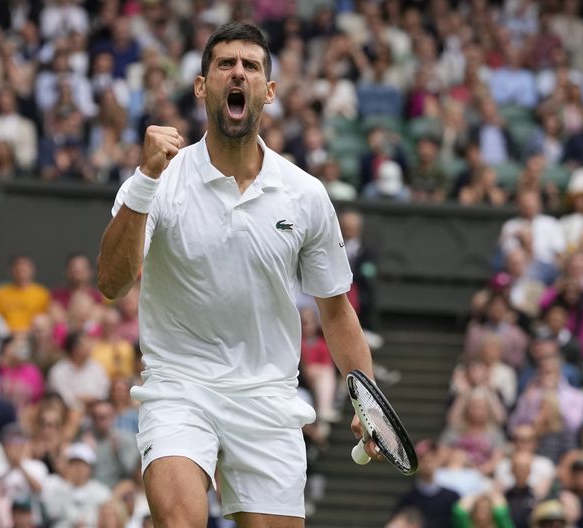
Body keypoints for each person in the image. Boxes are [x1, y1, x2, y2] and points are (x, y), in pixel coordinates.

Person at [97, 22, 377, 527]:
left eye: (251, 66)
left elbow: (335, 310)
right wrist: (143, 181)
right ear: (202, 86)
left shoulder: (305, 194)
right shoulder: (158, 180)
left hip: (268, 397)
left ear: (268, 92)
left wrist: (366, 395)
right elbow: (112, 283)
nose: (238, 73)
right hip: (180, 386)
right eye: (226, 64)